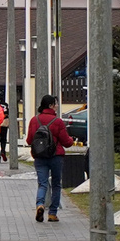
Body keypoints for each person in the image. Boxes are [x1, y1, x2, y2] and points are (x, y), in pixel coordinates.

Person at [26, 94, 72, 223]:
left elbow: (29, 140)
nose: (57, 106)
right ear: (51, 105)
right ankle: (52, 213)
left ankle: (40, 205)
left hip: (40, 156)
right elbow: (66, 142)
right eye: (56, 104)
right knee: (56, 184)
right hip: (55, 156)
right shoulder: (57, 121)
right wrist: (71, 140)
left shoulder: (34, 120)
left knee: (42, 183)